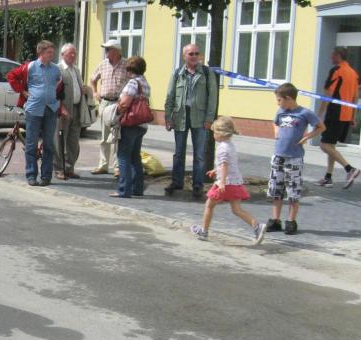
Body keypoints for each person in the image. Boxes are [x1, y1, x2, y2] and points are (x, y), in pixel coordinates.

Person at [190, 117, 266, 243]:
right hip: (235, 182)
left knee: (209, 205)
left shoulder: (222, 148)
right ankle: (257, 226)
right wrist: (216, 170)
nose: (213, 135)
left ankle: (204, 231)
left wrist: (222, 182)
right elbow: (227, 164)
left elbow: (224, 165)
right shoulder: (230, 145)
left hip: (226, 183)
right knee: (237, 209)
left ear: (220, 133)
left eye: (214, 132)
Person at [266, 83, 325, 235]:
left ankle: (291, 221)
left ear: (288, 98)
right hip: (278, 155)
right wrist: (276, 131)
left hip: (294, 158)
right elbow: (275, 123)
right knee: (276, 188)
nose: (277, 103)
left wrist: (306, 137)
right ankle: (275, 220)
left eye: (279, 100)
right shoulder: (281, 111)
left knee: (293, 190)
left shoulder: (304, 112)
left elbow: (321, 127)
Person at [7, 40, 67, 186]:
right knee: (31, 143)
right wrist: (22, 91)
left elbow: (59, 86)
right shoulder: (30, 67)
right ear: (41, 52)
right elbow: (11, 76)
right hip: (34, 109)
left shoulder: (55, 69)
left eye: (52, 52)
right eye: (49, 52)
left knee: (49, 144)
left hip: (51, 109)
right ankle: (31, 175)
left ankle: (46, 176)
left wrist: (58, 102)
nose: (52, 55)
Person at [164, 43, 218, 199]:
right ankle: (177, 182)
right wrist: (168, 116)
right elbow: (170, 96)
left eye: (197, 53)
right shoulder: (177, 73)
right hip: (180, 116)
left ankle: (197, 185)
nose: (194, 56)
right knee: (178, 152)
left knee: (199, 154)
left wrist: (209, 118)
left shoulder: (206, 73)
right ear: (184, 56)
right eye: (191, 54)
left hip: (200, 117)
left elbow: (213, 98)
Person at [315, 47, 360, 188]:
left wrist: (319, 115)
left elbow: (327, 95)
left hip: (335, 113)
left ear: (338, 55)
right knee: (331, 146)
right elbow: (355, 97)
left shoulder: (336, 70)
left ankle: (350, 169)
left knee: (324, 145)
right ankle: (328, 177)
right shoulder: (353, 73)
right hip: (346, 114)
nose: (330, 57)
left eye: (332, 55)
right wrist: (353, 116)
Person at [110, 56, 151, 198]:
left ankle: (124, 189)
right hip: (141, 124)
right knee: (135, 156)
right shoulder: (145, 82)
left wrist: (114, 113)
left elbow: (125, 103)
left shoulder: (133, 83)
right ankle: (137, 188)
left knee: (123, 156)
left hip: (130, 123)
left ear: (130, 69)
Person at [90, 39, 130, 177]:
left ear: (116, 51)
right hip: (105, 102)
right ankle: (103, 165)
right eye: (105, 49)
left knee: (118, 136)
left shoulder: (126, 65)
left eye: (108, 49)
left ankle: (117, 166)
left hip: (119, 104)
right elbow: (93, 79)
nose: (106, 52)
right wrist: (95, 92)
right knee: (104, 136)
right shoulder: (103, 64)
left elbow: (133, 81)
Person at [54, 43, 84, 180]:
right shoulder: (57, 69)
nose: (73, 56)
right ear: (62, 55)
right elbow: (54, 92)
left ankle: (69, 167)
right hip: (63, 110)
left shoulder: (76, 69)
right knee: (59, 140)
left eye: (74, 53)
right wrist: (61, 107)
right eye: (70, 53)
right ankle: (59, 169)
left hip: (76, 108)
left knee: (73, 140)